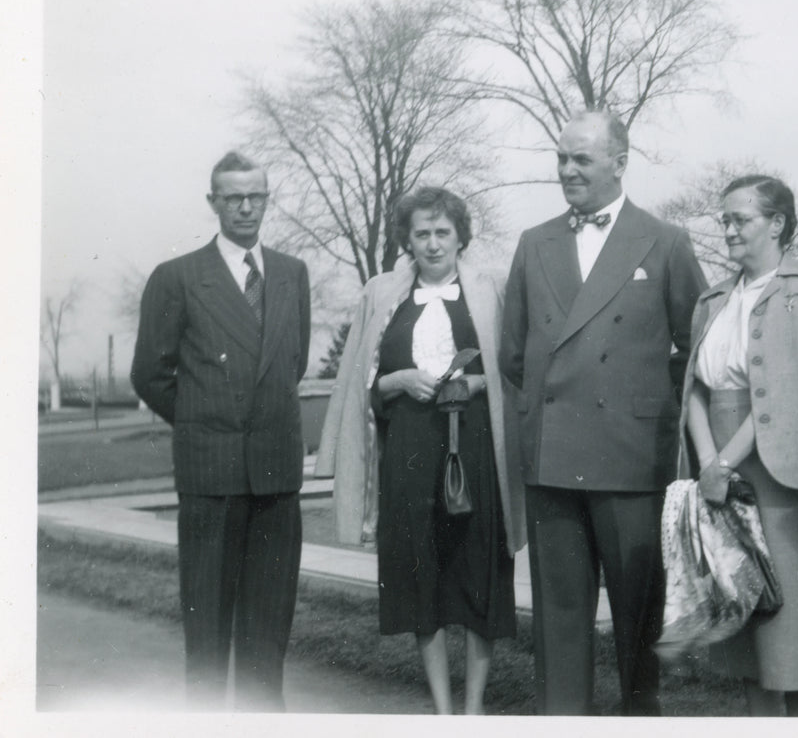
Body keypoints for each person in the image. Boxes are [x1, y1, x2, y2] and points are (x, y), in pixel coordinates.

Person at [500, 110, 707, 715]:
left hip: (632, 461)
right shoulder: (533, 242)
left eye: (581, 159)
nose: (567, 170)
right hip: (554, 459)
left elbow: (699, 345)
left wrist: (646, 404)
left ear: (620, 162)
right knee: (559, 627)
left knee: (638, 628)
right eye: (561, 158)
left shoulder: (666, 241)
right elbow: (515, 352)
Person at [315, 186, 524, 715]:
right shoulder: (382, 293)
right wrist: (399, 379)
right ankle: (443, 710)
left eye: (442, 233)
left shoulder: (491, 288)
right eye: (421, 234)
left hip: (475, 446)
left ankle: (474, 708)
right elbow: (362, 383)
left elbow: (512, 374)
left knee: (479, 568)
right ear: (407, 239)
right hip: (409, 446)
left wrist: (476, 384)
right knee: (420, 570)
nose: (432, 244)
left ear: (460, 236)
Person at [130, 151, 311, 710]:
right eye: (232, 197)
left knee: (268, 638)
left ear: (267, 198)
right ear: (213, 203)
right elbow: (150, 375)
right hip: (211, 478)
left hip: (276, 479)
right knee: (207, 636)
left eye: (255, 195)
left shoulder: (291, 274)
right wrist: (205, 422)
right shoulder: (178, 277)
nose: (245, 207)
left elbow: (292, 363)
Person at [679, 175, 798, 716]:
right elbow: (696, 389)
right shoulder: (713, 301)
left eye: (739, 219)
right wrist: (708, 464)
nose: (726, 230)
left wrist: (724, 462)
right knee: (741, 615)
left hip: (782, 475)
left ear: (777, 224)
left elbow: (793, 397)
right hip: (718, 473)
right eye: (722, 220)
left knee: (791, 614)